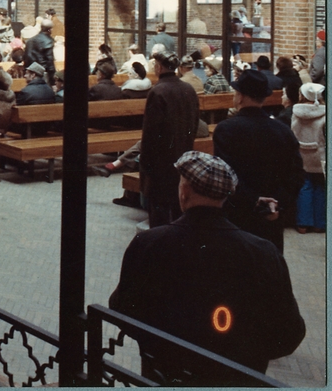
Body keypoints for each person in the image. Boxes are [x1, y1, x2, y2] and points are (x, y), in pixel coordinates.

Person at [108, 151, 305, 385]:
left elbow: (123, 308)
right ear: (225, 196)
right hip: (236, 377)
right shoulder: (262, 251)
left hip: (165, 372)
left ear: (185, 191)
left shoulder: (149, 243)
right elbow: (289, 330)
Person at [213, 68, 304, 251]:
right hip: (271, 217)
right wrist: (277, 204)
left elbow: (226, 174)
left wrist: (254, 200)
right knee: (268, 269)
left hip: (238, 215)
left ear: (240, 97)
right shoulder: (283, 130)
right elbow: (296, 174)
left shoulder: (226, 130)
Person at [140, 52, 199, 227]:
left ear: (159, 67)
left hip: (161, 160)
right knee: (179, 205)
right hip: (184, 153)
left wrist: (146, 164)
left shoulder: (158, 91)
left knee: (159, 211)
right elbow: (195, 121)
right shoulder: (188, 89)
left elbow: (151, 132)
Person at [290, 82, 326, 233]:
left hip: (301, 154)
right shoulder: (325, 113)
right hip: (320, 155)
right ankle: (320, 223)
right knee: (320, 187)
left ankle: (303, 223)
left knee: (305, 187)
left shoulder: (296, 111)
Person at [25, 17, 56, 83]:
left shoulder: (30, 41)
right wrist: (53, 80)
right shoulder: (48, 41)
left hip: (30, 73)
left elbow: (26, 57)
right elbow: (50, 62)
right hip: (42, 74)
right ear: (50, 30)